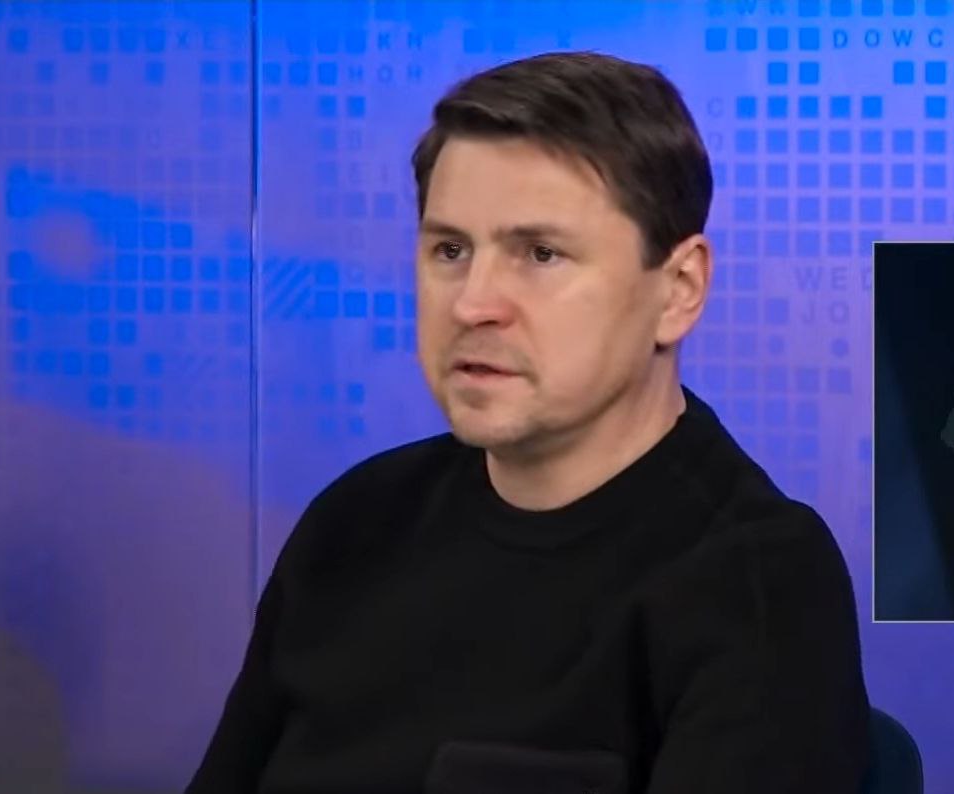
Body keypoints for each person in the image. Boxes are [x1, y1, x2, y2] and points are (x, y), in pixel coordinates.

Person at [186, 50, 870, 793]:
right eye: (450, 250)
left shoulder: (756, 582)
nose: (472, 302)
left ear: (678, 289)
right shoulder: (353, 522)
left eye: (540, 254)